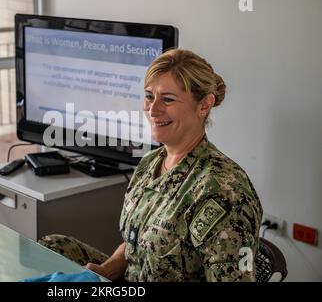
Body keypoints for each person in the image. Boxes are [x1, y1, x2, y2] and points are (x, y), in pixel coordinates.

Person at [39, 49, 263, 282]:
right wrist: (107, 269)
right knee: (52, 247)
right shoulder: (150, 163)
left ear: (204, 105)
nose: (153, 110)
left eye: (167, 99)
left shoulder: (223, 190)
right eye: (149, 96)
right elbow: (135, 242)